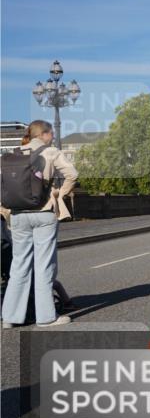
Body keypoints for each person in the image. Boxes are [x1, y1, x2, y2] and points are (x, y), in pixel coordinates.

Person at [1, 120, 78, 328]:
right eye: (50, 133)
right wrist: (58, 195)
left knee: (19, 265)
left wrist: (6, 209)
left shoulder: (11, 154)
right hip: (43, 213)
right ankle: (46, 317)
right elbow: (72, 174)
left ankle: (10, 317)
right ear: (43, 134)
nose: (52, 137)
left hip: (17, 215)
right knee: (44, 265)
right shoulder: (51, 152)